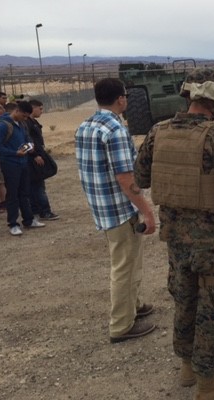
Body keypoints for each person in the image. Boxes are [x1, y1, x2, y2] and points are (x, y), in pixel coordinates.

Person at [134, 68, 214, 400]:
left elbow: (142, 177)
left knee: (184, 301)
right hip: (213, 245)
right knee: (211, 310)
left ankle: (187, 368)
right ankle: (207, 385)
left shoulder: (157, 132)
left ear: (187, 96)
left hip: (175, 240)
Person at [75, 77, 157, 344]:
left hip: (102, 206)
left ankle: (133, 306)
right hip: (120, 210)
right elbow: (125, 178)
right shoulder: (116, 130)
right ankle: (121, 325)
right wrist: (147, 211)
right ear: (120, 99)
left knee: (131, 260)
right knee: (123, 265)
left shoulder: (86, 126)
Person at [0, 101, 46, 235]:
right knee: (13, 195)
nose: (25, 119)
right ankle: (13, 224)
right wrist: (14, 153)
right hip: (10, 165)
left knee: (25, 193)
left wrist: (29, 146)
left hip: (23, 163)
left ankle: (29, 219)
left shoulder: (21, 124)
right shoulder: (3, 126)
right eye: (24, 116)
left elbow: (27, 139)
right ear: (17, 111)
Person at [26, 99, 59, 220]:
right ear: (32, 108)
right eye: (40, 108)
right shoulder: (27, 123)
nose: (41, 111)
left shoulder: (32, 122)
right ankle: (45, 211)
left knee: (36, 185)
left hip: (36, 155)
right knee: (38, 185)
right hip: (33, 158)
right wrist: (34, 155)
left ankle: (36, 209)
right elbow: (28, 142)